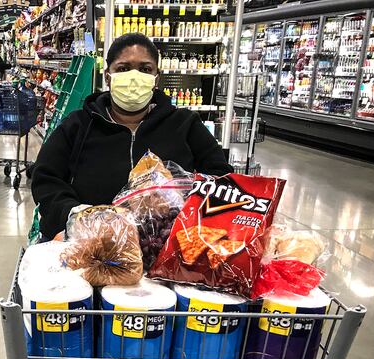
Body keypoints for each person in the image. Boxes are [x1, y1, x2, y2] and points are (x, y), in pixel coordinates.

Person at [31, 33, 233, 241]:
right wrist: (77, 217)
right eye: (123, 68)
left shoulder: (185, 123)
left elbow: (222, 178)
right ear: (108, 76)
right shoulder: (78, 125)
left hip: (168, 246)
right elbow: (46, 179)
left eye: (145, 69)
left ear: (156, 78)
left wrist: (182, 208)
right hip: (91, 245)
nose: (134, 77)